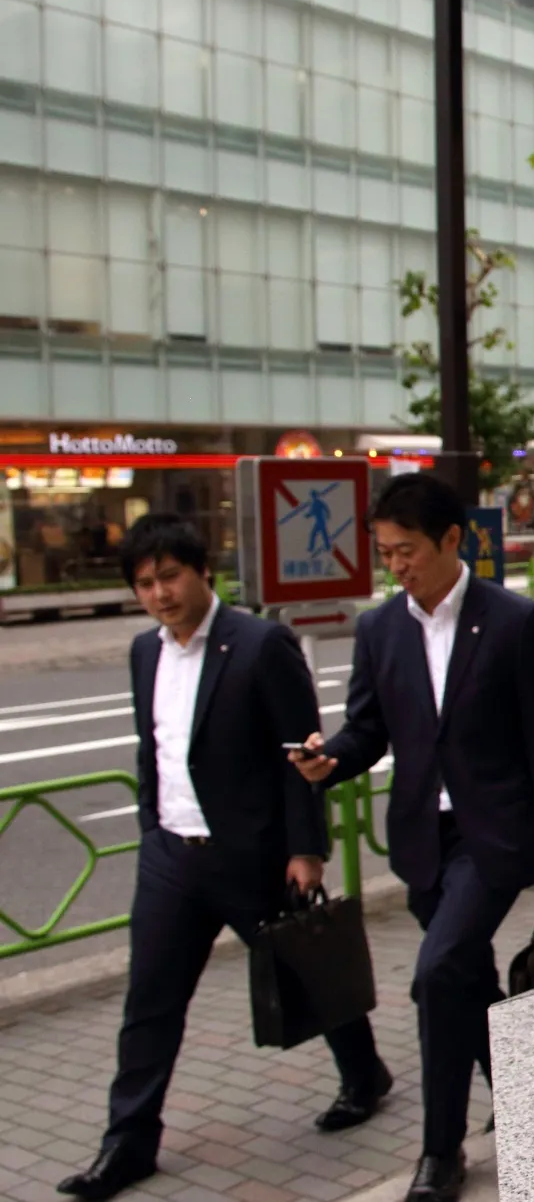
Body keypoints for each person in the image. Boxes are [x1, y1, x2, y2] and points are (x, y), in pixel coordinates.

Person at [58, 515, 391, 1202]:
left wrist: (307, 848)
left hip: (253, 856)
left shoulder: (260, 644)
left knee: (306, 974)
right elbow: (151, 746)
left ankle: (364, 1075)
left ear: (202, 571)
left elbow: (299, 754)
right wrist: (153, 824)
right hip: (171, 859)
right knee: (149, 1001)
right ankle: (127, 1142)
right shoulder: (144, 653)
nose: (159, 593)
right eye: (145, 583)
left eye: (170, 576)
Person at [293, 472, 534, 1202]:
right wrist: (332, 759)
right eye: (386, 554)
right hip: (422, 838)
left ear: (454, 540)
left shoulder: (512, 620)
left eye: (407, 550)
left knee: (436, 972)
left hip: (495, 836)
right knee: (466, 982)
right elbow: (367, 728)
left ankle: (440, 1154)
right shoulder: (380, 629)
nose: (397, 566)